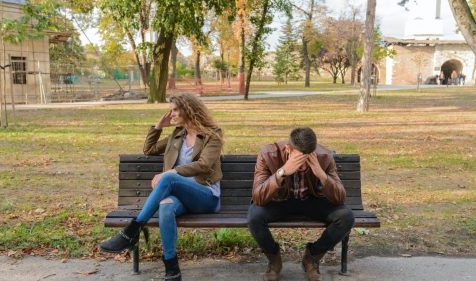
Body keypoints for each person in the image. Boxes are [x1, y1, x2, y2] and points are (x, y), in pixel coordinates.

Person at [99, 93, 223, 281]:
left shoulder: (212, 135)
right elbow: (149, 150)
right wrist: (158, 127)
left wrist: (171, 173)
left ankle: (132, 230)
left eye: (174, 110)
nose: (171, 114)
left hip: (206, 196)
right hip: (181, 197)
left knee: (168, 179)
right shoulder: (177, 134)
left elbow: (204, 165)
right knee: (165, 205)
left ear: (188, 110)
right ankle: (172, 267)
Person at [247, 128, 354, 281]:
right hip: (280, 202)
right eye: (299, 160)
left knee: (346, 216)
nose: (303, 166)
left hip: (311, 201)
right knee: (254, 217)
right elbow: (258, 197)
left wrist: (321, 174)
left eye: (307, 159)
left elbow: (340, 198)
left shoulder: (324, 156)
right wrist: (282, 172)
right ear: (288, 149)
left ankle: (312, 257)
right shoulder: (268, 154)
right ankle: (274, 259)